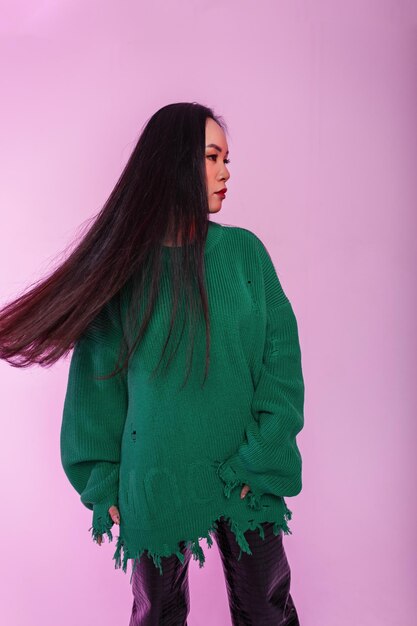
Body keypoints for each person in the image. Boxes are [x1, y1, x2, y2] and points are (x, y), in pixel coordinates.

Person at [0, 102, 304, 625]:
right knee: (157, 613)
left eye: (227, 158)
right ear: (174, 164)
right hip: (156, 476)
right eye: (212, 157)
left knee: (265, 609)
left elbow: (280, 366)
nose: (226, 172)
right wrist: (102, 478)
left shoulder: (244, 254)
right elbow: (98, 385)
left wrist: (263, 456)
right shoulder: (124, 270)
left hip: (244, 472)